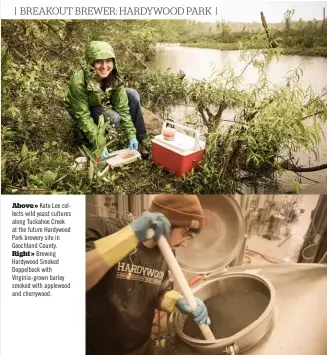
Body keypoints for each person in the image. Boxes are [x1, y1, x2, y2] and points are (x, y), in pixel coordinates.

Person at [86, 195, 211, 355]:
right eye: (187, 233)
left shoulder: (165, 251)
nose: (186, 243)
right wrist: (132, 235)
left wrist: (178, 301)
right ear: (168, 220)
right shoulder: (102, 229)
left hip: (141, 347)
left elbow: (158, 292)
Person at [65, 41, 149, 159]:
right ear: (91, 62)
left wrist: (131, 135)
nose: (105, 66)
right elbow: (82, 115)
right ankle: (90, 140)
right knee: (113, 118)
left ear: (113, 62)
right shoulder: (78, 81)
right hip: (86, 109)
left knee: (132, 94)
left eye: (108, 61)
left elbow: (123, 108)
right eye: (99, 61)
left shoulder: (114, 76)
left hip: (102, 102)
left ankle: (140, 140)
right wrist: (98, 142)